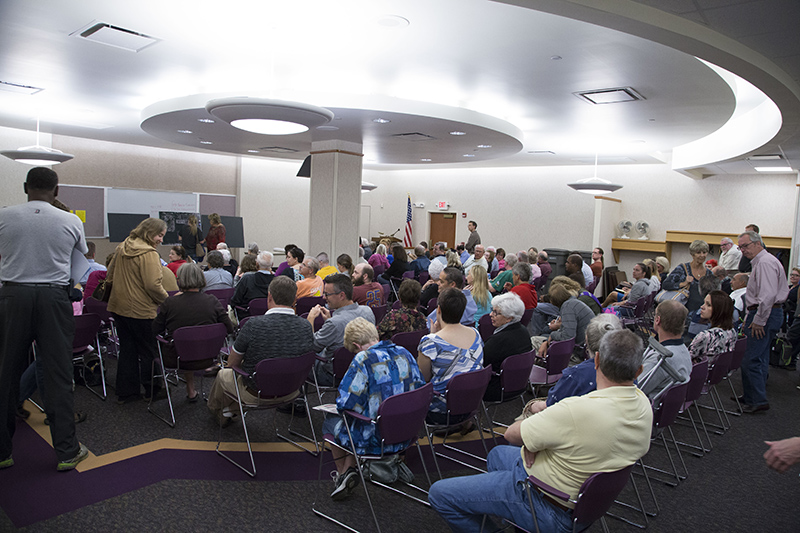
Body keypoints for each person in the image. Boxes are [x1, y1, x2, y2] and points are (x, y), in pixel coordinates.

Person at [428, 329, 652, 533]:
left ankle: (514, 513)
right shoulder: (643, 406)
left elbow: (512, 434)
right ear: (639, 370)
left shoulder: (576, 409)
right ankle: (513, 517)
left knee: (439, 494)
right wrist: (536, 444)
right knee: (497, 454)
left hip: (544, 503)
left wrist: (533, 444)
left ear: (596, 360)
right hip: (582, 502)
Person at [0, 167, 89, 471]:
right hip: (54, 298)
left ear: (25, 187)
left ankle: (2, 452)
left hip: (12, 296)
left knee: (5, 373)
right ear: (57, 190)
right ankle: (67, 452)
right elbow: (79, 261)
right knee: (58, 375)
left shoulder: (4, 215)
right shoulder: (71, 220)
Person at [323, 317, 425, 500]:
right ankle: (350, 471)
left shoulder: (363, 358)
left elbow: (346, 403)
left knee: (331, 422)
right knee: (358, 418)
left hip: (377, 439)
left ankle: (343, 476)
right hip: (407, 432)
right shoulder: (404, 352)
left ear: (357, 345)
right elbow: (420, 387)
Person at [206, 276, 314, 427]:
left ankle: (218, 411)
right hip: (292, 390)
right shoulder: (306, 326)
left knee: (224, 373)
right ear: (295, 299)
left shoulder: (253, 325)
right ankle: (229, 410)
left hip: (257, 393)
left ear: (269, 296)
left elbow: (232, 364)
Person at [153, 263, 234, 401]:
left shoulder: (170, 303)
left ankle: (190, 391)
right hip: (209, 357)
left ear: (179, 280)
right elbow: (230, 328)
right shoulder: (212, 301)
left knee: (183, 344)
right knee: (192, 342)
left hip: (177, 359)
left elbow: (155, 330)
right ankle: (197, 391)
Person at [524, 314, 622, 415]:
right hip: (611, 419)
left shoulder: (576, 374)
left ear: (587, 338)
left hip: (574, 421)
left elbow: (552, 405)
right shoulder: (629, 370)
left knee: (522, 420)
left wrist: (533, 406)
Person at [737, 230, 788, 413]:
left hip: (764, 314)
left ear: (758, 243)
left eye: (746, 246)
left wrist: (758, 320)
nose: (742, 250)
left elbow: (767, 296)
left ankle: (757, 400)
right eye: (740, 247)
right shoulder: (762, 261)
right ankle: (752, 396)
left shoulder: (765, 263)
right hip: (768, 313)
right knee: (760, 357)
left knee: (751, 359)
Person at [418, 288, 484, 424]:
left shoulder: (430, 342)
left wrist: (433, 335)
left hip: (440, 411)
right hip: (472, 404)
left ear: (439, 310)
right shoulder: (476, 333)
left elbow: (423, 378)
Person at [308, 274, 375, 386]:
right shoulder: (368, 311)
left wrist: (310, 319)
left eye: (327, 294)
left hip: (333, 374)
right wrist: (330, 320)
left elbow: (311, 346)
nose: (324, 297)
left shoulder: (334, 323)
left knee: (297, 360)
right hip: (363, 370)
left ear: (342, 295)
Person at [482, 293, 532, 401]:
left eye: (496, 313)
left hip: (496, 388)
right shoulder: (523, 331)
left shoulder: (498, 340)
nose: (490, 314)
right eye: (492, 310)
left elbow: (480, 362)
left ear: (509, 318)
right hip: (519, 383)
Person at [639, 300, 691, 400]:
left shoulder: (659, 360)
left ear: (658, 320)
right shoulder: (685, 351)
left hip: (646, 407)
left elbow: (633, 390)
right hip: (666, 407)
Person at [532, 279, 594, 360]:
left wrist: (552, 335)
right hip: (587, 349)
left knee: (534, 341)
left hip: (579, 354)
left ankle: (538, 369)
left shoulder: (568, 307)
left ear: (553, 301)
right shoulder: (574, 302)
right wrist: (547, 340)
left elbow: (568, 337)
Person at [662, 239, 714, 314]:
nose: (702, 255)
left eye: (704, 252)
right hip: (683, 312)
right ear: (692, 254)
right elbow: (665, 284)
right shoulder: (682, 269)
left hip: (701, 313)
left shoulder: (709, 274)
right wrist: (682, 284)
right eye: (698, 253)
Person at [688, 290, 737, 363]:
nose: (702, 307)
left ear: (719, 309)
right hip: (717, 373)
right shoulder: (732, 332)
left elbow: (685, 359)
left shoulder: (705, 336)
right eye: (704, 303)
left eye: (708, 305)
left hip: (698, 373)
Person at [230, 251, 275, 319]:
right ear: (272, 264)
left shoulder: (247, 279)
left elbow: (235, 301)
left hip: (248, 318)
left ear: (256, 264)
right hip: (271, 318)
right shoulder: (278, 282)